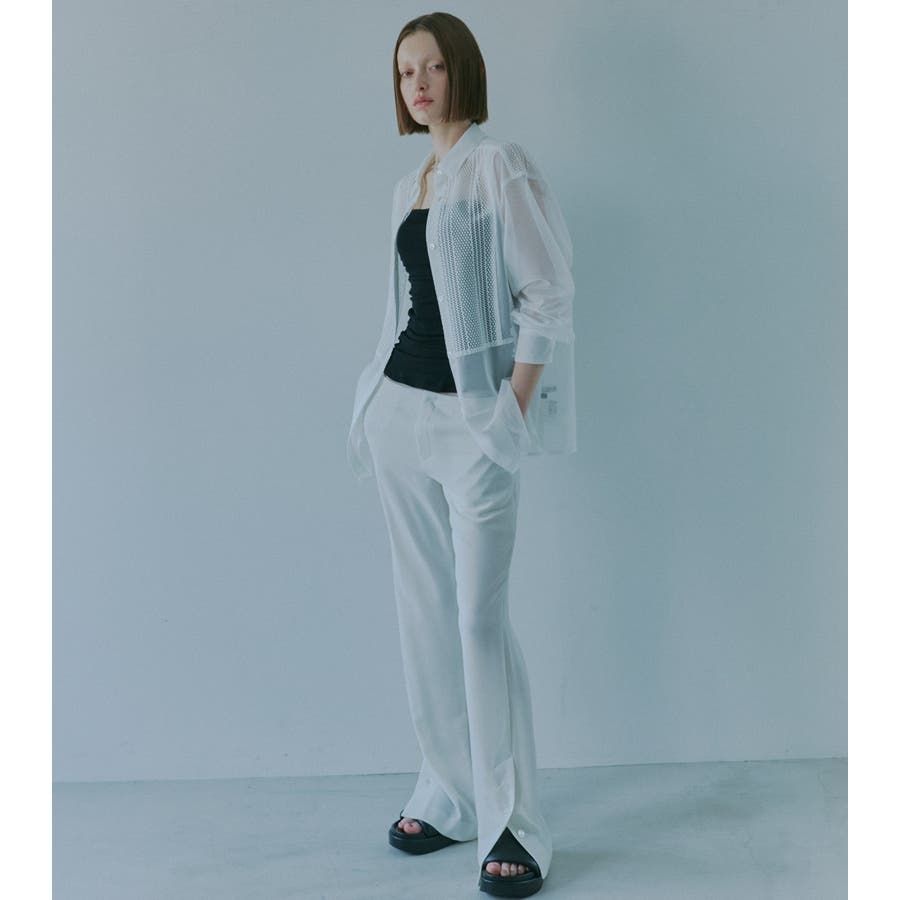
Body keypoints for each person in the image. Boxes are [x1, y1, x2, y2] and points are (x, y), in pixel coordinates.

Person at [346, 11, 576, 897]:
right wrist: (372, 405)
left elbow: (547, 295)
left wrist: (505, 413)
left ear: (463, 73)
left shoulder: (496, 165)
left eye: (434, 67)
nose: (419, 83)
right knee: (423, 613)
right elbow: (403, 307)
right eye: (407, 70)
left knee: (479, 621)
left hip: (472, 424)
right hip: (399, 415)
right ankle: (447, 791)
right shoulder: (410, 183)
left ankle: (513, 822)